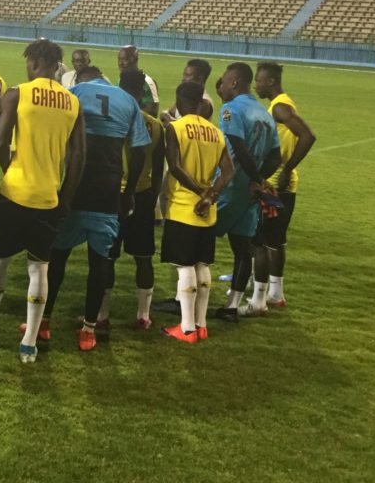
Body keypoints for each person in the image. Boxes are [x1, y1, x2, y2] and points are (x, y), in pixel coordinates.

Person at [0, 39, 85, 364]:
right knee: (39, 269)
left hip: (15, 194)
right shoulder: (72, 102)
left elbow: (1, 139)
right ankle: (29, 344)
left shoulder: (17, 93)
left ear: (34, 62)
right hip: (49, 197)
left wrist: (11, 171)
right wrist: (66, 195)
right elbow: (79, 155)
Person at [42, 65, 150, 351]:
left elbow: (53, 135)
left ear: (80, 79)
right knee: (100, 262)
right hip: (108, 191)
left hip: (75, 189)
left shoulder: (74, 92)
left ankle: (43, 322)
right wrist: (128, 191)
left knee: (57, 257)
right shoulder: (126, 100)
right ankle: (89, 329)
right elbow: (139, 150)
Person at [160, 81, 234, 343]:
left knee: (184, 267)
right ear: (201, 104)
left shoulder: (175, 128)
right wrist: (212, 193)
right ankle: (201, 324)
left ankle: (187, 327)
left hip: (183, 207)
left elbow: (176, 167)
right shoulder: (216, 132)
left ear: (180, 103)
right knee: (203, 265)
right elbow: (228, 171)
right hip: (208, 212)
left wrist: (199, 192)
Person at [213, 63, 281, 323]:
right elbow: (277, 155)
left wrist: (254, 178)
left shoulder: (231, 109)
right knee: (243, 250)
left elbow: (239, 148)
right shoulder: (264, 114)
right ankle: (232, 306)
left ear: (234, 82)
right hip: (250, 196)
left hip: (229, 189)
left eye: (226, 79)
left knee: (201, 239)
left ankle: (189, 303)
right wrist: (261, 180)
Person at [247, 61, 316, 313]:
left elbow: (308, 135)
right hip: (284, 186)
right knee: (277, 241)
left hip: (274, 186)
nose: (257, 84)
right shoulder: (282, 103)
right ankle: (276, 293)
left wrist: (286, 169)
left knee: (260, 242)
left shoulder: (280, 108)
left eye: (260, 80)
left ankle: (258, 301)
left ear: (271, 82)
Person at [105, 69, 165, 330]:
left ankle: (101, 315)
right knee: (143, 257)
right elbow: (159, 166)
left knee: (107, 257)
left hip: (114, 195)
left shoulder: (114, 118)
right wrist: (151, 199)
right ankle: (143, 315)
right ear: (142, 92)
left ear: (119, 87)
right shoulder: (156, 125)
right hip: (142, 197)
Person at [117, 45, 160, 117]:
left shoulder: (148, 82)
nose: (120, 63)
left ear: (135, 60)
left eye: (125, 59)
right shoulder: (120, 81)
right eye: (119, 59)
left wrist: (127, 113)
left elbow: (153, 111)